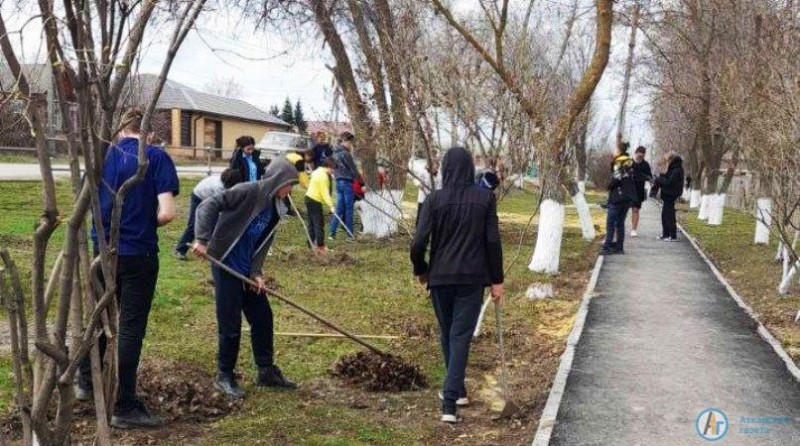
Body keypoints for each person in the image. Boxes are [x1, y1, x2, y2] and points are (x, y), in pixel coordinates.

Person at [78, 108, 180, 429]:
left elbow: (85, 203)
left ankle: (86, 383)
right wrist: (142, 224)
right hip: (138, 254)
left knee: (99, 317)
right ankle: (124, 405)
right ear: (148, 131)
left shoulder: (101, 156)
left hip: (102, 253)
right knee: (130, 327)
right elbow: (167, 213)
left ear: (121, 130)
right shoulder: (155, 158)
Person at [410, 147, 504, 424]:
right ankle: (450, 402)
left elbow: (418, 243)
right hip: (471, 279)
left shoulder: (433, 200)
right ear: (469, 168)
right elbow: (492, 242)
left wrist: (421, 269)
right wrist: (496, 280)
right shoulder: (485, 198)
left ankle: (456, 391)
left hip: (440, 279)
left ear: (446, 169)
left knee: (451, 333)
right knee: (458, 335)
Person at [192, 157, 300, 399]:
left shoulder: (278, 207)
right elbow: (207, 206)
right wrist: (202, 239)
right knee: (230, 323)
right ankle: (224, 376)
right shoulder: (247, 191)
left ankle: (266, 371)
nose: (291, 190)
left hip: (246, 270)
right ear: (277, 180)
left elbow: (263, 243)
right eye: (289, 184)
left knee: (263, 317)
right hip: (226, 263)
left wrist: (256, 272)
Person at [174, 169, 241, 260]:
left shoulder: (228, 185)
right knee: (193, 225)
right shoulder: (219, 187)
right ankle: (180, 250)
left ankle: (212, 252)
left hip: (210, 199)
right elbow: (217, 207)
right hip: (198, 197)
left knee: (215, 226)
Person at [601, 141, 636, 255]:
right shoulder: (630, 161)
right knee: (620, 222)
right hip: (627, 196)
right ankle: (619, 247)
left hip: (618, 196)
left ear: (619, 150)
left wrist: (609, 186)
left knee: (611, 222)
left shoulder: (619, 161)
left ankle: (606, 247)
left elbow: (617, 178)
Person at [329, 131, 363, 240]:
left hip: (338, 183)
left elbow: (332, 168)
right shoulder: (346, 154)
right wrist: (362, 182)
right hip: (347, 183)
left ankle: (332, 233)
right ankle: (350, 235)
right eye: (351, 143)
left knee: (339, 208)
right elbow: (354, 169)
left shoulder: (335, 153)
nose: (351, 145)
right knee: (349, 209)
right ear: (346, 141)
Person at [305, 158, 337, 254]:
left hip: (308, 198)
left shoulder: (317, 171)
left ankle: (310, 243)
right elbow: (325, 193)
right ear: (328, 166)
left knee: (311, 223)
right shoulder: (324, 177)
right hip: (314, 200)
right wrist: (331, 205)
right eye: (333, 168)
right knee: (319, 224)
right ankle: (320, 246)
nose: (333, 171)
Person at [651, 151, 685, 242]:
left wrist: (659, 179)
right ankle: (666, 234)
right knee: (664, 215)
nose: (667, 162)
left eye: (667, 160)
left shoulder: (677, 169)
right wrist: (661, 176)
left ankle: (672, 235)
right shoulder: (673, 168)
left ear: (671, 159)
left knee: (669, 215)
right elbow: (668, 177)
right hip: (667, 194)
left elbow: (669, 182)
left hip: (671, 194)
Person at [630, 146, 653, 237]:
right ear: (636, 153)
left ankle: (634, 229)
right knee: (621, 210)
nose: (640, 157)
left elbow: (649, 177)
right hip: (627, 189)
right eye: (639, 155)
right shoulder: (629, 162)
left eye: (642, 156)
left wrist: (647, 179)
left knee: (635, 209)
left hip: (638, 190)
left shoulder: (645, 165)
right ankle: (616, 231)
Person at [412, 161, 440, 227]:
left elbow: (439, 186)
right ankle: (418, 227)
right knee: (421, 214)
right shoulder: (423, 172)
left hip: (432, 198)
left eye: (436, 168)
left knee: (430, 215)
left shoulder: (439, 175)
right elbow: (416, 180)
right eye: (433, 167)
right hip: (422, 197)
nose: (434, 169)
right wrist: (419, 185)